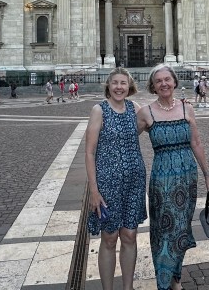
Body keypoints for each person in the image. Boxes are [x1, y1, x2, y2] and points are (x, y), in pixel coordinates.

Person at [137, 64, 209, 290]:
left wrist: (208, 176)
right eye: (158, 81)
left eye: (167, 79)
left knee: (181, 228)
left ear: (174, 82)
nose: (163, 84)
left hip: (187, 178)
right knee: (164, 231)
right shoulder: (146, 112)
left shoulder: (186, 108)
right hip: (162, 182)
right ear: (153, 86)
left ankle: (176, 279)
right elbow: (127, 140)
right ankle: (164, 281)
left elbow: (196, 143)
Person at [85, 68, 146, 290]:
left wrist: (178, 105)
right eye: (115, 83)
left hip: (134, 182)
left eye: (123, 83)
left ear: (129, 86)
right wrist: (94, 190)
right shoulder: (99, 110)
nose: (119, 87)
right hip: (107, 184)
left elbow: (157, 119)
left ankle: (128, 288)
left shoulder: (135, 108)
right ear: (108, 86)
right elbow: (89, 152)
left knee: (130, 235)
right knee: (109, 237)